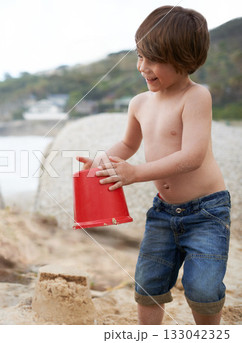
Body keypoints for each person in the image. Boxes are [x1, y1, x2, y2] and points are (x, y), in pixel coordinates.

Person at [78, 6, 230, 325]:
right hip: (163, 212)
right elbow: (128, 145)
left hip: (207, 212)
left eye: (153, 60)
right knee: (148, 282)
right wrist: (101, 161)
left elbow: (192, 157)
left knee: (202, 287)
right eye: (140, 56)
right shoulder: (139, 103)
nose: (142, 67)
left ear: (184, 59)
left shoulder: (196, 97)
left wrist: (136, 174)